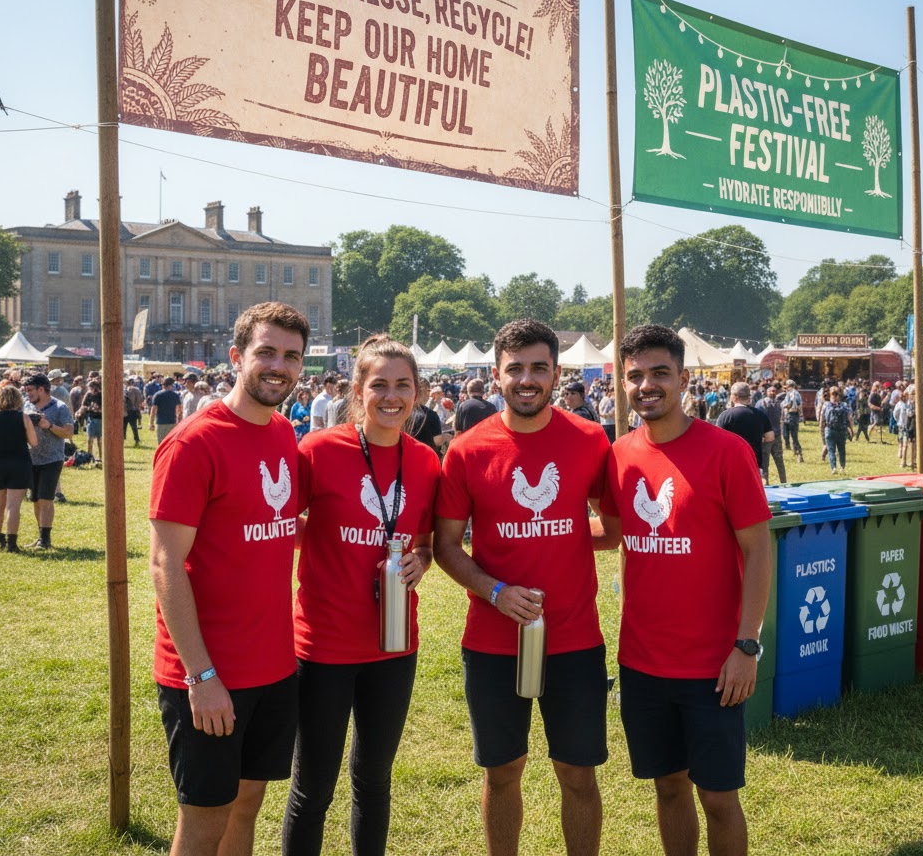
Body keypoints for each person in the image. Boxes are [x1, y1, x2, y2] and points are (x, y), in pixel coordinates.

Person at [434, 319, 614, 856]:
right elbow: (445, 546)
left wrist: (570, 541)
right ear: (497, 375)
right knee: (503, 771)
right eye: (516, 369)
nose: (527, 379)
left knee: (578, 774)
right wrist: (494, 591)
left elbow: (616, 525)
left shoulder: (588, 439)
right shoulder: (467, 450)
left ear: (557, 372)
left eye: (539, 367)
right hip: (492, 641)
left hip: (574, 638)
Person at [599, 325, 771, 856]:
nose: (646, 385)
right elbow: (610, 533)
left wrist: (746, 647)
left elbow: (759, 551)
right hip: (643, 661)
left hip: (714, 665)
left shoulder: (726, 451)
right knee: (669, 788)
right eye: (635, 376)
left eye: (659, 374)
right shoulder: (619, 454)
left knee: (718, 798)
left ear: (683, 379)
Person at [148, 302, 309, 856]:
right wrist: (201, 676)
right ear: (237, 356)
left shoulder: (285, 434)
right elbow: (165, 563)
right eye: (266, 352)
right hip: (209, 673)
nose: (278, 366)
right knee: (204, 818)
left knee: (248, 804)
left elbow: (278, 523)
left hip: (274, 666)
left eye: (291, 356)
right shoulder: (194, 442)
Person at [283, 335, 438, 856]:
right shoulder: (320, 450)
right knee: (313, 787)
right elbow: (283, 520)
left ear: (417, 392)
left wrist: (421, 559)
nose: (391, 396)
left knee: (375, 780)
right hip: (323, 645)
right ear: (357, 390)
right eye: (379, 385)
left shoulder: (426, 462)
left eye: (402, 385)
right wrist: (320, 541)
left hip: (394, 643)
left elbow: (427, 541)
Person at [22, 373, 75, 550]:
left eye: (30, 390)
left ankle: (46, 540)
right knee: (36, 499)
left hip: (52, 459)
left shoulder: (59, 407)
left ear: (42, 389)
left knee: (46, 498)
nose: (27, 393)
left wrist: (49, 426)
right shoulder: (27, 405)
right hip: (31, 458)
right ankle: (40, 536)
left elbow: (68, 432)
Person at [0, 383, 39, 554]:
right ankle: (12, 543)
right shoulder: (23, 417)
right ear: (18, 400)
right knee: (13, 506)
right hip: (18, 463)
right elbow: (34, 442)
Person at [715, 383, 774, 469]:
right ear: (749, 397)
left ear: (734, 397)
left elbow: (717, 440)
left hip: (732, 463)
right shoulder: (760, 415)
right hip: (754, 462)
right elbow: (770, 437)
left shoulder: (725, 416)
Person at [408, 377, 449, 457]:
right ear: (424, 391)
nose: (429, 395)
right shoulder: (430, 415)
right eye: (429, 391)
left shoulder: (401, 411)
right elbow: (437, 441)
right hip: (426, 458)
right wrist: (446, 437)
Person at [755, 385, 786, 484]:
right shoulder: (761, 403)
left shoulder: (778, 404)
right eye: (771, 391)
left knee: (779, 461)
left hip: (776, 436)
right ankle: (765, 482)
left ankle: (784, 481)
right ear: (766, 392)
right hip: (766, 436)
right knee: (765, 462)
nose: (773, 393)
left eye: (774, 391)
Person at [820, 385, 854, 475]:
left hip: (829, 429)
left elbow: (822, 419)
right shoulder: (844, 405)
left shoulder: (826, 405)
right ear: (840, 394)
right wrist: (852, 429)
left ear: (830, 394)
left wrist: (822, 430)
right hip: (841, 430)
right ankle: (842, 467)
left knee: (831, 450)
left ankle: (833, 468)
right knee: (842, 450)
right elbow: (850, 418)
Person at [77, 377, 103, 463]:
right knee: (90, 439)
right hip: (91, 419)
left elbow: (107, 408)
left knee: (100, 440)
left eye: (93, 388)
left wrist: (99, 410)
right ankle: (89, 457)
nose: (92, 390)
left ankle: (101, 457)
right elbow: (83, 406)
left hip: (100, 420)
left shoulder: (102, 395)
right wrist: (89, 408)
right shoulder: (88, 395)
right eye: (90, 388)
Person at [150, 376, 183, 444]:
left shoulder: (157, 395)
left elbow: (153, 410)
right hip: (172, 422)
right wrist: (179, 421)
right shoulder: (175, 395)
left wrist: (151, 423)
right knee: (171, 443)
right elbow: (179, 410)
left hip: (161, 423)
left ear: (163, 385)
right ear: (171, 385)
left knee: (162, 443)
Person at [781, 380, 804, 462]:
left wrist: (784, 406)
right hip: (788, 416)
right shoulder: (789, 393)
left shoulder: (794, 393)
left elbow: (794, 405)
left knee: (794, 436)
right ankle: (794, 450)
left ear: (789, 385)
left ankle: (799, 454)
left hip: (792, 415)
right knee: (785, 434)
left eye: (786, 386)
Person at [124, 375, 144, 445]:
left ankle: (122, 440)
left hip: (125, 410)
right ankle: (136, 440)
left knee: (124, 426)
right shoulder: (136, 389)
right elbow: (140, 400)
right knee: (133, 426)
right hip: (133, 410)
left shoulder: (124, 390)